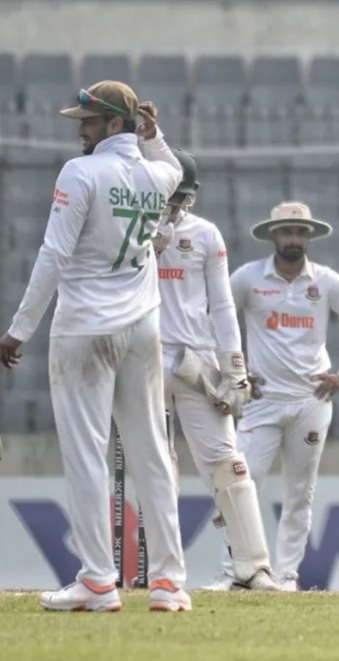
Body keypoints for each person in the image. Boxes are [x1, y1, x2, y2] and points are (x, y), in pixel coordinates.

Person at [0, 82, 191, 612]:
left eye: (88, 121)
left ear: (112, 125)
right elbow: (172, 166)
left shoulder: (80, 173)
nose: (79, 129)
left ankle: (99, 582)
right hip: (141, 328)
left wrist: (19, 328)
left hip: (84, 328)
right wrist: (153, 137)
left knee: (87, 454)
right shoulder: (157, 176)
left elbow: (53, 255)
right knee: (152, 451)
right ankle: (169, 584)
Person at [214, 201, 339, 591]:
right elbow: (215, 319)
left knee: (299, 493)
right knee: (242, 485)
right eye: (286, 232)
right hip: (262, 401)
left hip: (310, 401)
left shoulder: (326, 281)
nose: (294, 239)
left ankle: (285, 576)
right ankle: (237, 572)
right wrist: (233, 370)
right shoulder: (248, 278)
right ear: (273, 235)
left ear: (309, 237)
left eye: (300, 232)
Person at [139, 141, 278, 591]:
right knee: (158, 467)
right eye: (168, 196)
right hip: (142, 361)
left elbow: (222, 306)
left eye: (182, 197)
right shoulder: (127, 230)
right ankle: (160, 574)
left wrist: (234, 368)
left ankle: (253, 568)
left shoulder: (205, 235)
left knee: (228, 465)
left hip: (195, 365)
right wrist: (145, 243)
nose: (174, 206)